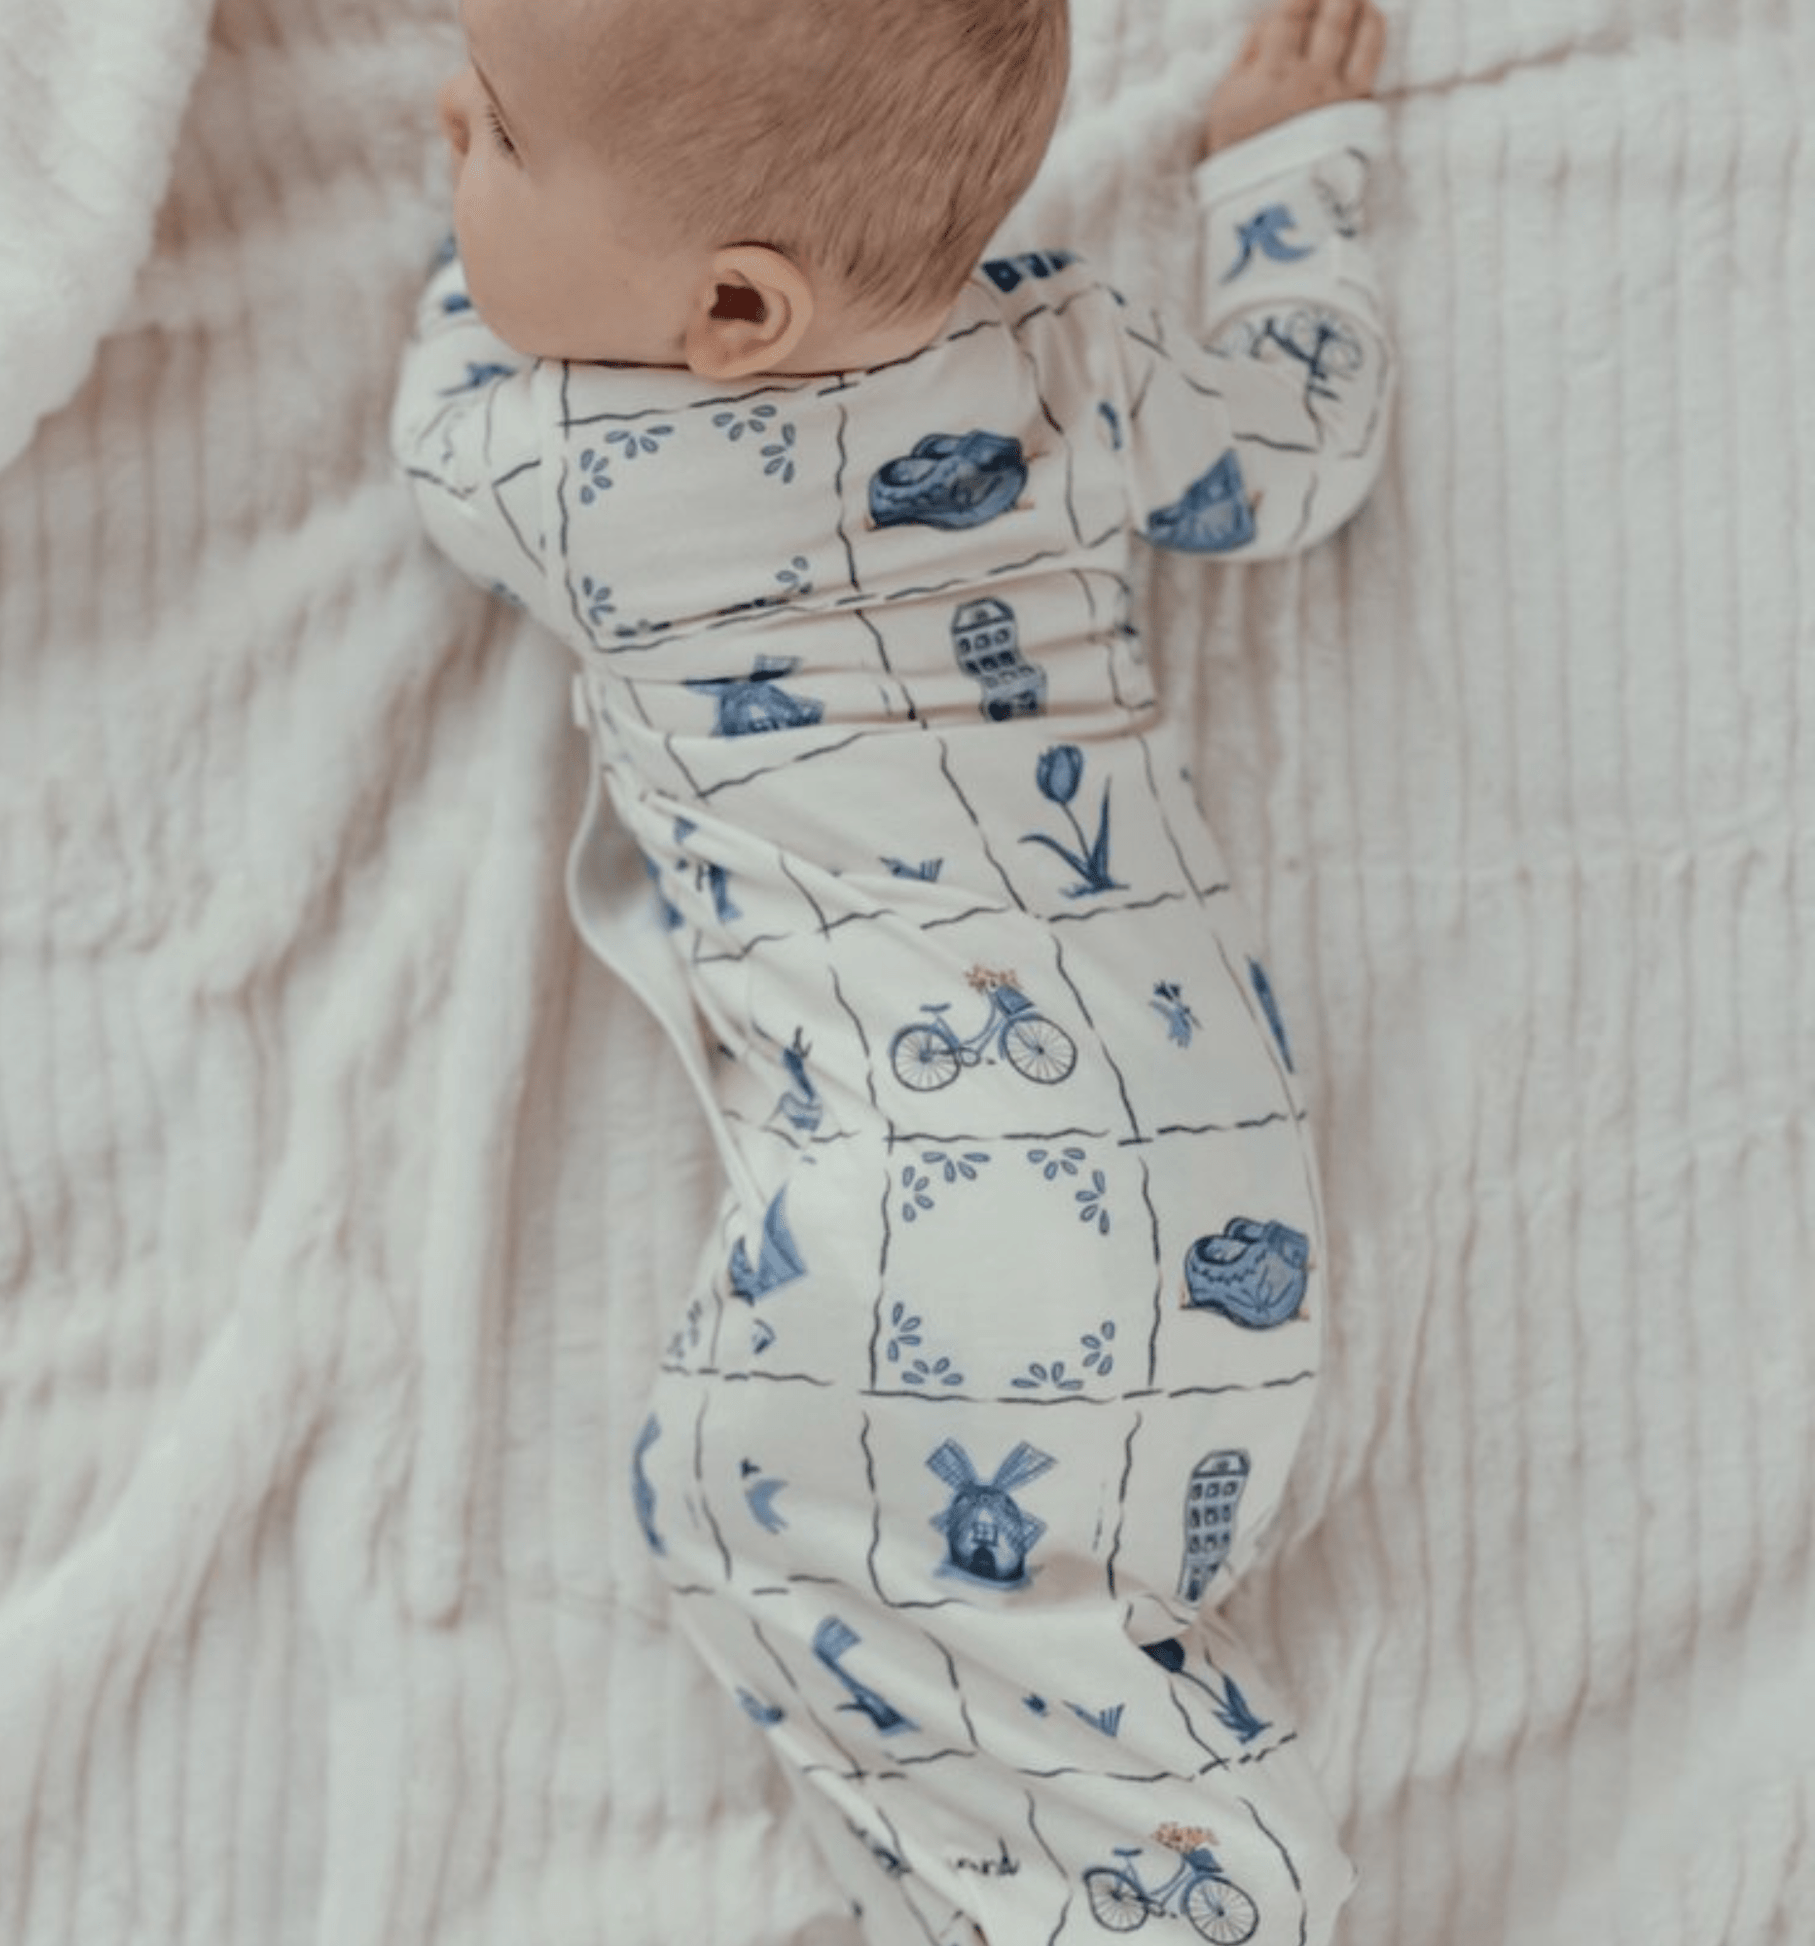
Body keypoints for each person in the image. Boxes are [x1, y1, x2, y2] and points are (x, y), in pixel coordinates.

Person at [394, 0, 1391, 1938]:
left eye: (494, 133)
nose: (444, 118)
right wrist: (1287, 183)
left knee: (758, 1511)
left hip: (946, 1189)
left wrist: (471, 278)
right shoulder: (1072, 356)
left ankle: (1213, 1891)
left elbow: (439, 416)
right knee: (994, 1620)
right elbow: (1303, 447)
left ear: (736, 310)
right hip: (1199, 1158)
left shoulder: (561, 470)